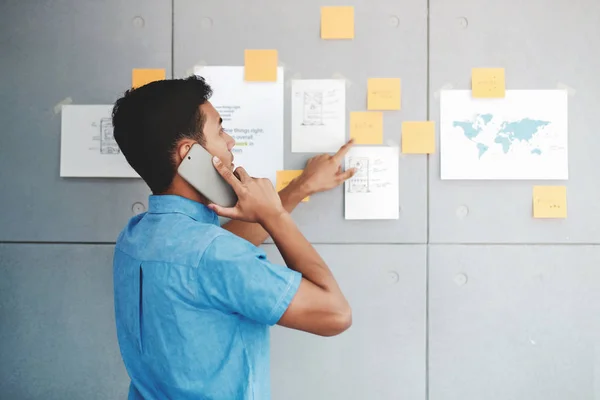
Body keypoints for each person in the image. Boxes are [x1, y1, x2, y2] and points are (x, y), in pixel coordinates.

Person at [111, 75, 356, 400]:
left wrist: (300, 188)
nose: (231, 142)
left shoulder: (135, 237)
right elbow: (336, 315)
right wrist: (275, 217)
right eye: (220, 129)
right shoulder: (213, 255)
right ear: (189, 154)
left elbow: (215, 258)